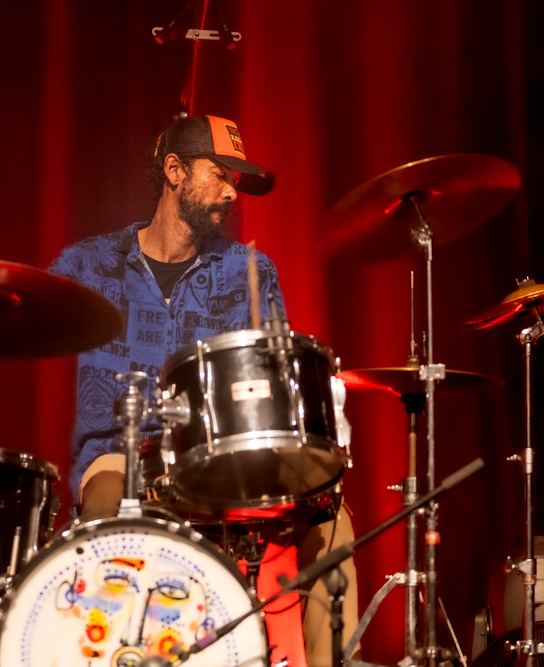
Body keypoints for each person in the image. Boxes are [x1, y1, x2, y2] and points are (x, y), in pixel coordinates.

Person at [49, 114, 357, 666]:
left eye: (234, 180)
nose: (231, 192)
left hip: (224, 461)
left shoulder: (250, 270)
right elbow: (29, 324)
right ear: (175, 171)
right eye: (219, 174)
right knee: (105, 502)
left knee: (333, 522)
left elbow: (275, 380)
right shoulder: (87, 266)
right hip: (124, 457)